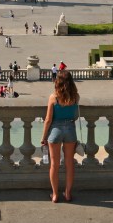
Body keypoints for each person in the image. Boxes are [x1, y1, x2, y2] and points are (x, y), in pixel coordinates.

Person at [40, 70, 80, 203]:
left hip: (55, 130)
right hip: (70, 129)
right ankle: (68, 193)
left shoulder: (54, 97)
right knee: (69, 163)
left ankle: (55, 195)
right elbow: (76, 116)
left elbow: (48, 120)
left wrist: (43, 137)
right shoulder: (75, 97)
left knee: (54, 164)